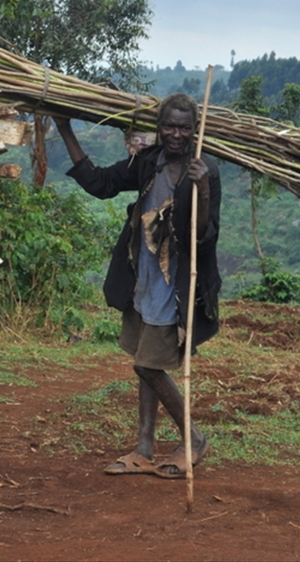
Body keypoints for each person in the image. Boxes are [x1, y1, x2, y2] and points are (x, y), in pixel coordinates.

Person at [54, 93, 221, 480]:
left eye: (183, 127)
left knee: (148, 365)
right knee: (145, 362)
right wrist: (65, 129)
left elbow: (203, 238)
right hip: (143, 278)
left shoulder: (205, 171)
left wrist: (204, 191)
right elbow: (100, 184)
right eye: (168, 126)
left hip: (176, 285)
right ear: (159, 127)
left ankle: (193, 438)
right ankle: (143, 448)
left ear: (195, 129)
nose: (175, 134)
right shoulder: (149, 162)